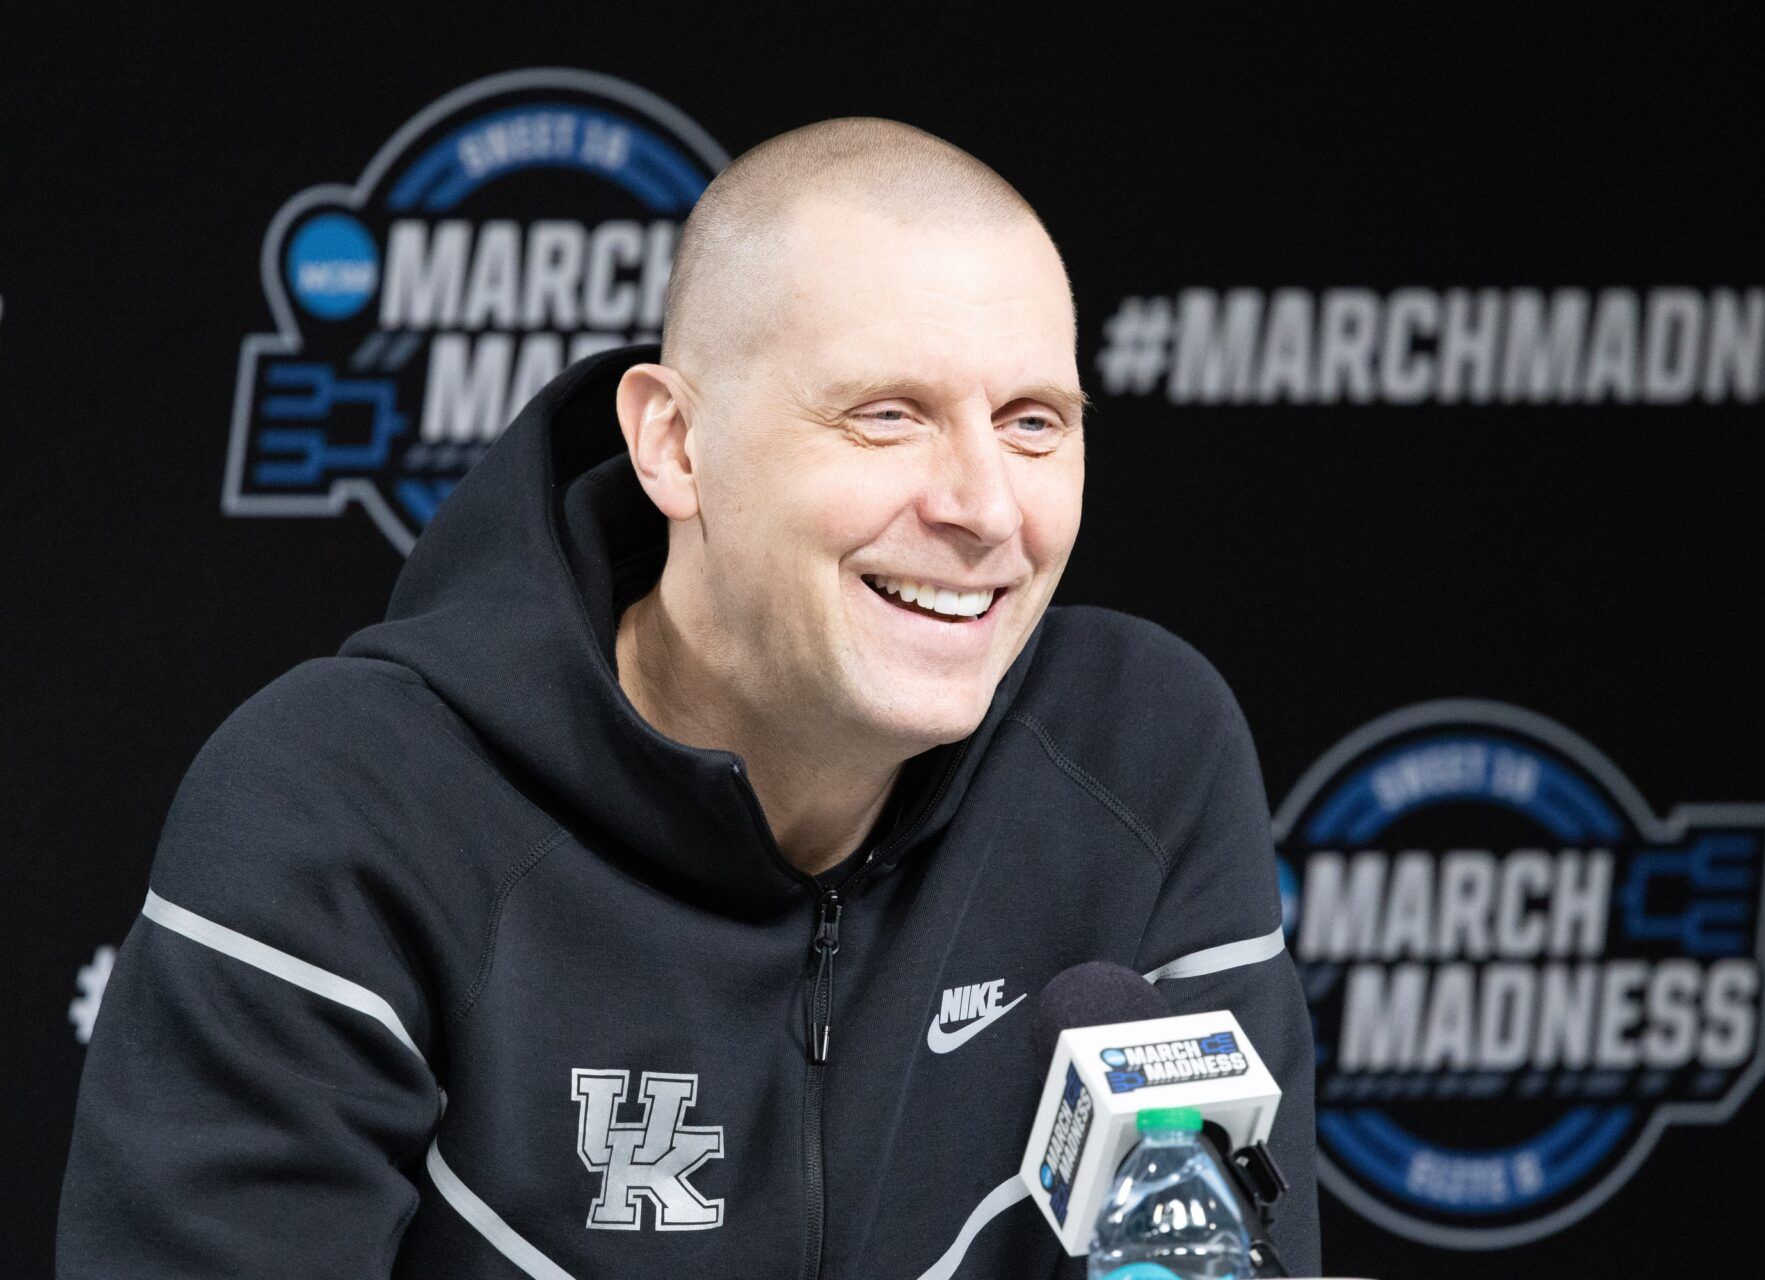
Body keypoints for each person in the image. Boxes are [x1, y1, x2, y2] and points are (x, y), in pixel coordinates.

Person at [57, 118, 1321, 1279]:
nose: (986, 507)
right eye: (888, 415)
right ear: (673, 443)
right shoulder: (339, 809)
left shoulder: (1142, 755)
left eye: (1035, 421)